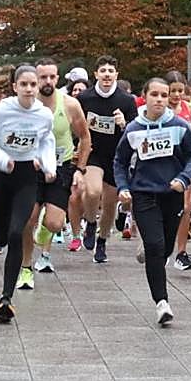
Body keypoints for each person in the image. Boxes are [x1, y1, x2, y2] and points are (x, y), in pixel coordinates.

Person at [114, 76, 191, 326]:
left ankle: (156, 259)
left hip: (172, 194)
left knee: (164, 249)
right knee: (154, 246)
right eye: (154, 95)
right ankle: (161, 303)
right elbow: (120, 161)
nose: (160, 100)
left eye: (164, 96)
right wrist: (123, 187)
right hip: (144, 193)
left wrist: (184, 179)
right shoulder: (134, 128)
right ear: (145, 97)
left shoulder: (179, 125)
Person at [0, 64, 56, 319]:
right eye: (24, 85)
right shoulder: (1, 111)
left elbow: (45, 141)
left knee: (18, 231)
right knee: (2, 236)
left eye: (33, 85)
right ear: (15, 87)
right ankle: (0, 239)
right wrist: (1, 158)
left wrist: (48, 166)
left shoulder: (44, 115)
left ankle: (6, 297)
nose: (30, 89)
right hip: (2, 175)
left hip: (26, 178)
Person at [29, 58, 91, 273]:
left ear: (57, 78)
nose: (47, 81)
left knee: (55, 223)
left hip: (60, 166)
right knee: (29, 219)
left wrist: (80, 170)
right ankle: (27, 265)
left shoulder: (70, 104)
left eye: (51, 77)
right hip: (31, 168)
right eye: (42, 77)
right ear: (35, 79)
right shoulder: (26, 104)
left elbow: (84, 137)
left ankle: (44, 248)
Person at [77, 55, 140, 263]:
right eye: (102, 71)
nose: (106, 75)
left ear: (116, 75)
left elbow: (135, 131)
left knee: (111, 204)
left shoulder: (126, 100)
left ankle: (102, 240)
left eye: (110, 71)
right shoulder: (85, 98)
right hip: (93, 152)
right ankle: (90, 222)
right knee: (93, 191)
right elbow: (75, 124)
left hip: (116, 156)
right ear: (95, 74)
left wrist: (124, 123)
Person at [165, 70, 191, 271]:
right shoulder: (159, 109)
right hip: (163, 164)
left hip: (185, 163)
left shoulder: (189, 109)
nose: (176, 95)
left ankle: (181, 252)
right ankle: (161, 246)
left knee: (186, 207)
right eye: (173, 91)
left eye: (180, 91)